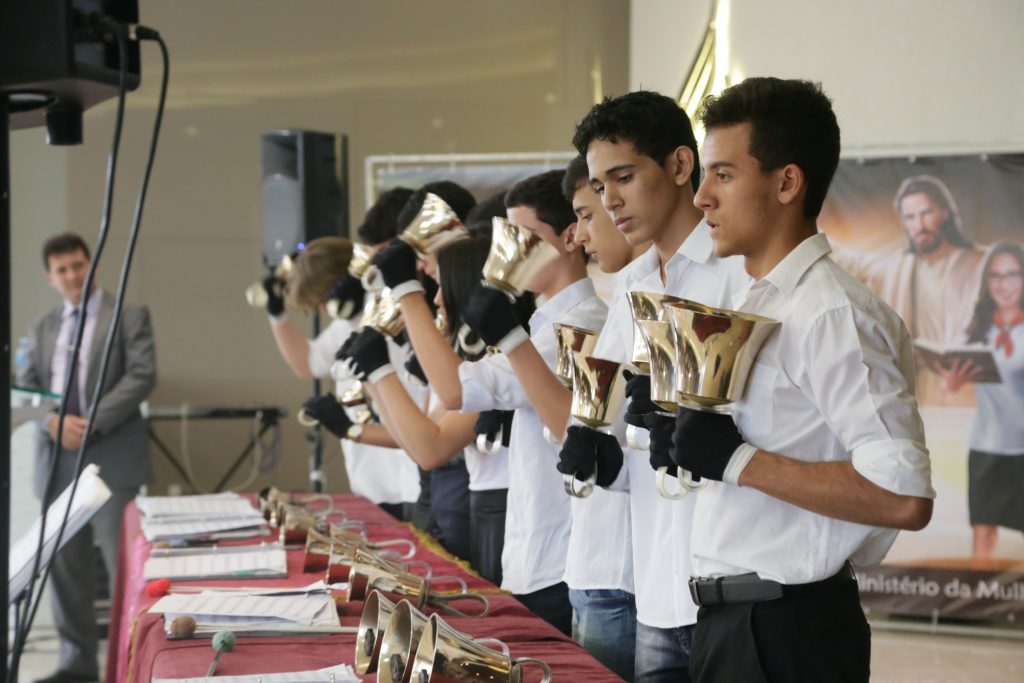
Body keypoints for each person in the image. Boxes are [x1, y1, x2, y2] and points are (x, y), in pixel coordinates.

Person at [675, 77, 934, 681]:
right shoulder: (759, 301)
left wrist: (737, 460)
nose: (702, 198)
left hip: (786, 634)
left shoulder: (832, 313)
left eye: (724, 174)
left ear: (787, 182)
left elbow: (903, 495)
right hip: (735, 624)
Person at [568, 90, 750, 683]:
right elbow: (625, 429)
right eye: (598, 187)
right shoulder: (633, 285)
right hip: (654, 584)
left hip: (726, 585)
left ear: (679, 166)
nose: (609, 200)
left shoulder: (737, 274)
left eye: (622, 177)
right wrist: (597, 446)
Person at [459, 167, 636, 676]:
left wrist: (408, 298)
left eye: (526, 237)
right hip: (554, 552)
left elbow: (455, 393)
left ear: (567, 240)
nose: (513, 250)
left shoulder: (581, 324)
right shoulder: (546, 324)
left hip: (573, 558)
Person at [337, 237, 531, 582]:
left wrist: (380, 373)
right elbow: (418, 441)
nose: (437, 298)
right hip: (469, 505)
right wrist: (372, 380)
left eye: (441, 284)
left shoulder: (495, 360)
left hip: (486, 509)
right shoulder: (472, 359)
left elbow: (429, 447)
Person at [17, 232, 156, 683]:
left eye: (79, 265)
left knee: (124, 566)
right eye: (63, 270)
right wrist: (52, 422)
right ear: (50, 277)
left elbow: (141, 375)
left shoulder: (129, 314)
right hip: (56, 459)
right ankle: (76, 666)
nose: (73, 275)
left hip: (112, 452)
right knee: (65, 569)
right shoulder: (42, 326)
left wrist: (90, 420)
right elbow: (26, 385)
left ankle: (129, 664)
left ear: (91, 264)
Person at [266, 197, 422, 520]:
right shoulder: (350, 322)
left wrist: (350, 426)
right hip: (372, 480)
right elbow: (307, 364)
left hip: (402, 479)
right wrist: (276, 316)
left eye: (324, 300)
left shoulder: (389, 313)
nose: (324, 310)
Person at [834, 174, 985, 405]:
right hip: (914, 387)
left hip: (969, 391)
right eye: (910, 217)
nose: (919, 225)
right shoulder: (896, 268)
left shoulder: (979, 263)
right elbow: (845, 260)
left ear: (945, 212)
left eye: (926, 213)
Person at [937, 242, 1024, 567]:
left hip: (1023, 450)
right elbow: (949, 380)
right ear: (987, 284)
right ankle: (979, 612)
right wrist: (953, 382)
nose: (1004, 284)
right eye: (996, 276)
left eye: (1013, 275)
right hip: (986, 447)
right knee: (983, 536)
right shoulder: (977, 328)